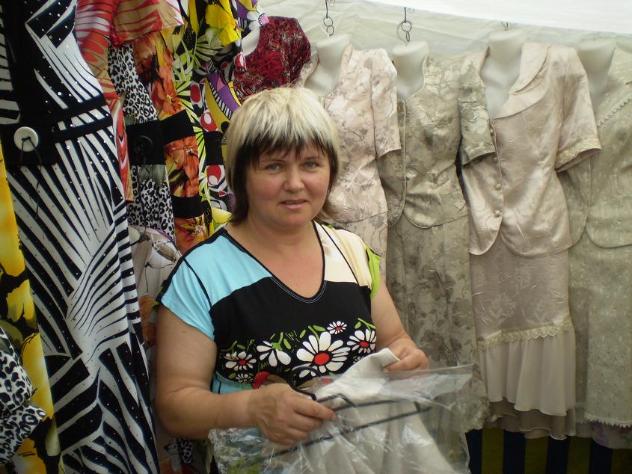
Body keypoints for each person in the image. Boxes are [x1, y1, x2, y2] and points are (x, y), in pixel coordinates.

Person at [155, 87, 428, 448]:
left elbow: (393, 340)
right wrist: (250, 409)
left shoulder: (351, 253)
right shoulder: (201, 275)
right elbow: (175, 406)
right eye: (274, 166)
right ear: (241, 176)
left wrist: (407, 360)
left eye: (311, 164)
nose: (295, 184)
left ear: (331, 170)